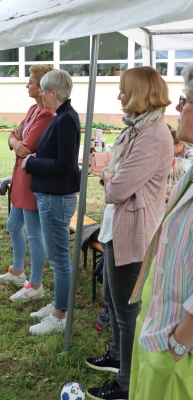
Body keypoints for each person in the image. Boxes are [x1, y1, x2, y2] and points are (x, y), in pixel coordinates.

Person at [85, 66, 173, 400]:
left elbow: (116, 187)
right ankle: (118, 358)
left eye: (124, 90)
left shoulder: (152, 136)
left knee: (126, 311)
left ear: (139, 93)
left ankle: (125, 384)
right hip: (116, 227)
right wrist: (111, 174)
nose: (120, 95)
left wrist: (109, 177)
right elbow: (112, 173)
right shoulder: (137, 128)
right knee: (112, 297)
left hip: (135, 232)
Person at [128, 65, 193, 400]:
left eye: (185, 100)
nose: (178, 108)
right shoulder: (191, 171)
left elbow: (117, 185)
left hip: (179, 346)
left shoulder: (153, 135)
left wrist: (180, 343)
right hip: (160, 329)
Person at [21, 69, 80, 335]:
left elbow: (66, 165)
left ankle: (59, 316)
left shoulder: (66, 119)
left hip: (56, 199)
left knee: (59, 261)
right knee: (57, 259)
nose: (39, 94)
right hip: (50, 196)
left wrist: (32, 162)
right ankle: (58, 304)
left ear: (53, 93)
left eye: (43, 90)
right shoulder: (61, 115)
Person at [0, 65, 53, 302]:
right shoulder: (33, 109)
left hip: (32, 177)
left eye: (30, 82)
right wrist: (14, 140)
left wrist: (18, 141)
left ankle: (36, 284)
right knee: (13, 224)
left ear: (42, 88)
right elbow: (14, 136)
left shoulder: (47, 114)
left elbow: (27, 145)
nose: (27, 85)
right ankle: (18, 271)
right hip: (21, 174)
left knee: (34, 232)